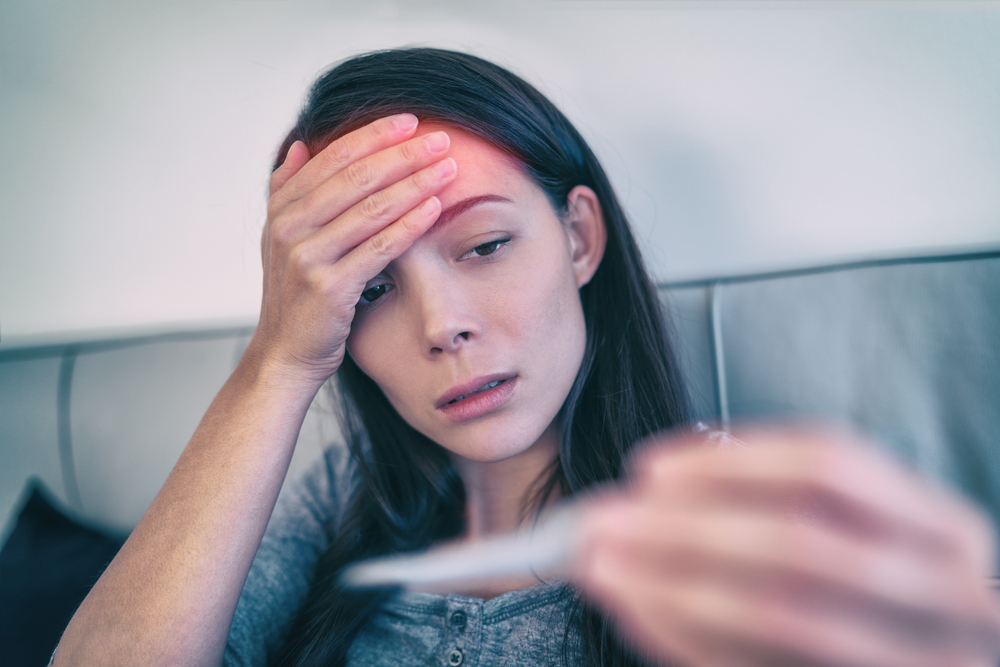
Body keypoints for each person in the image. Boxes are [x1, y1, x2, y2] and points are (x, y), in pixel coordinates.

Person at [53, 48, 1000, 667]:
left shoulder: (726, 516)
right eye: (372, 286)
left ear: (579, 240)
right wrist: (276, 362)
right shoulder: (333, 503)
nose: (444, 325)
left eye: (485, 245)